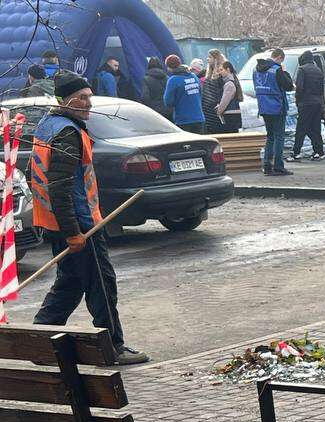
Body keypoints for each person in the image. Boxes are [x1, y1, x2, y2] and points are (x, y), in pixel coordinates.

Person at [29, 73, 147, 365]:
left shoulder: (48, 125)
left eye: (89, 96)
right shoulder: (67, 133)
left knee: (70, 282)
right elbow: (60, 187)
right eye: (82, 97)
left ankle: (40, 339)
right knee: (102, 285)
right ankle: (112, 347)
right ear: (64, 100)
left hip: (56, 222)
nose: (88, 103)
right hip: (79, 225)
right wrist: (74, 232)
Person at [254, 49, 294, 176]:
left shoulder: (256, 69)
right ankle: (278, 166)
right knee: (279, 136)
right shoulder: (276, 70)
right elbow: (288, 85)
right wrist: (284, 71)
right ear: (280, 58)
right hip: (277, 106)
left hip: (264, 107)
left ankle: (267, 165)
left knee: (270, 136)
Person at [291, 51, 325, 160]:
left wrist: (297, 101)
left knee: (301, 128)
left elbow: (299, 87)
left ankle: (296, 153)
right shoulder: (318, 70)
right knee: (315, 128)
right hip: (317, 103)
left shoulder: (302, 69)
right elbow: (321, 90)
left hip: (305, 103)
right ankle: (319, 152)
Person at [163, 55, 204, 133]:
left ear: (169, 67)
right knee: (199, 144)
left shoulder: (173, 80)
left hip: (183, 120)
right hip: (199, 117)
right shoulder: (194, 76)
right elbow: (200, 93)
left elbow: (168, 102)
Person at [201, 51, 227, 133]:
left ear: (216, 59)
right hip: (207, 109)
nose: (207, 59)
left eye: (210, 57)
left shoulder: (222, 74)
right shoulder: (208, 73)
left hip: (217, 109)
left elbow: (224, 92)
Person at [216, 59, 243, 133]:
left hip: (230, 113)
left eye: (221, 70)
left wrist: (219, 111)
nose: (220, 72)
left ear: (228, 69)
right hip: (235, 113)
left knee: (231, 136)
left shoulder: (229, 84)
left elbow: (225, 100)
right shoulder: (234, 80)